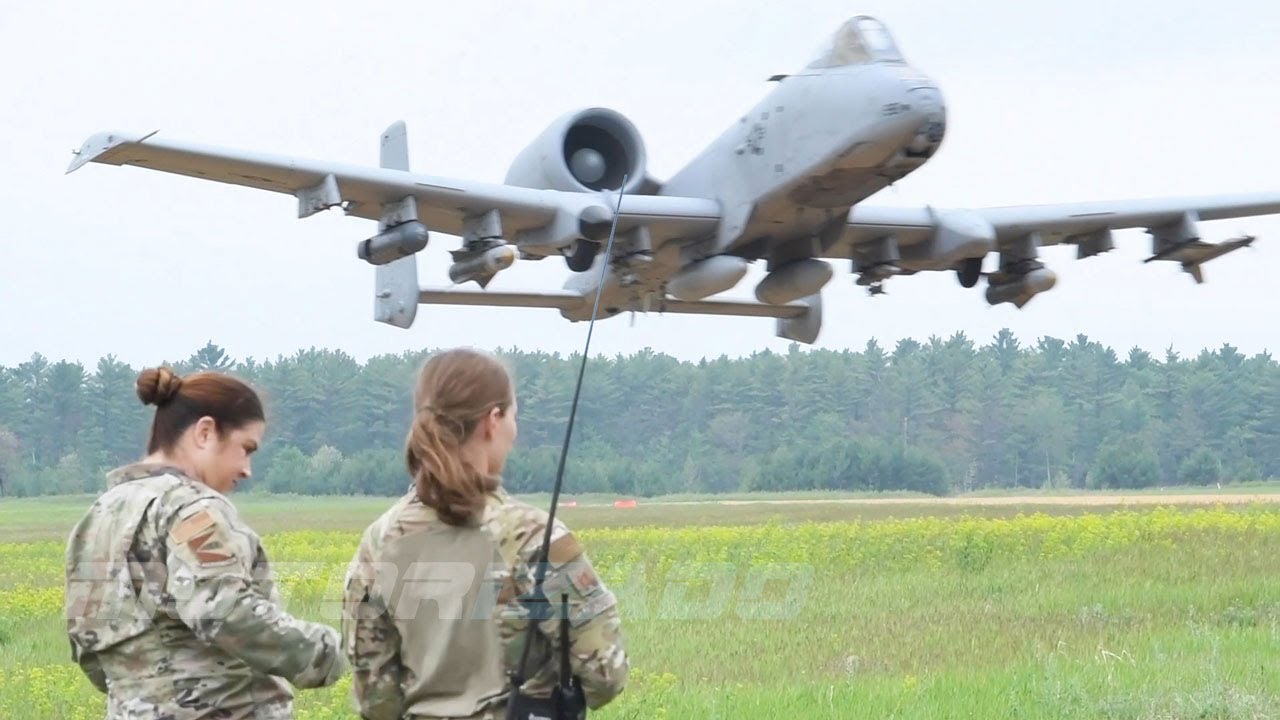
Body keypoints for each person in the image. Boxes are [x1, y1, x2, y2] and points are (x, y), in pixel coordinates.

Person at [342, 347, 628, 720]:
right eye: (513, 416)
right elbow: (606, 675)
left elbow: (375, 699)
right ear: (493, 420)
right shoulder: (532, 537)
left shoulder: (380, 541)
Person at [64, 366, 345, 719]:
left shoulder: (98, 517)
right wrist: (325, 652)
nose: (247, 469)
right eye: (245, 449)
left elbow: (88, 647)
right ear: (206, 432)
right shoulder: (192, 509)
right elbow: (224, 610)